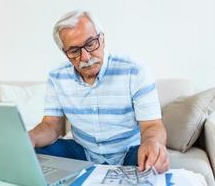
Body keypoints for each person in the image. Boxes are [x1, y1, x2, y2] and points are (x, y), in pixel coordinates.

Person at [28, 10, 169, 173]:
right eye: (74, 51)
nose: (86, 57)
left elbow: (152, 125)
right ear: (65, 54)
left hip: (129, 152)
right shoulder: (57, 77)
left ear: (102, 39)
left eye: (90, 44)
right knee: (31, 153)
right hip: (82, 152)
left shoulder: (135, 70)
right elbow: (50, 126)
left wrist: (152, 142)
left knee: (151, 159)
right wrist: (29, 138)